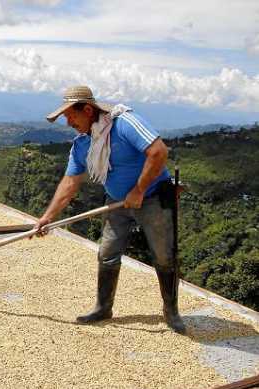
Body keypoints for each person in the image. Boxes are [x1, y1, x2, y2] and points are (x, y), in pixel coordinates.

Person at [33, 85, 186, 334]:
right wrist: (47, 217)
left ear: (88, 109)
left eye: (71, 115)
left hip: (153, 198)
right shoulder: (83, 144)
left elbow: (158, 152)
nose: (68, 122)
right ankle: (103, 308)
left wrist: (138, 190)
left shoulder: (125, 123)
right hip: (116, 203)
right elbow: (70, 181)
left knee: (163, 256)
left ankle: (172, 312)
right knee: (107, 253)